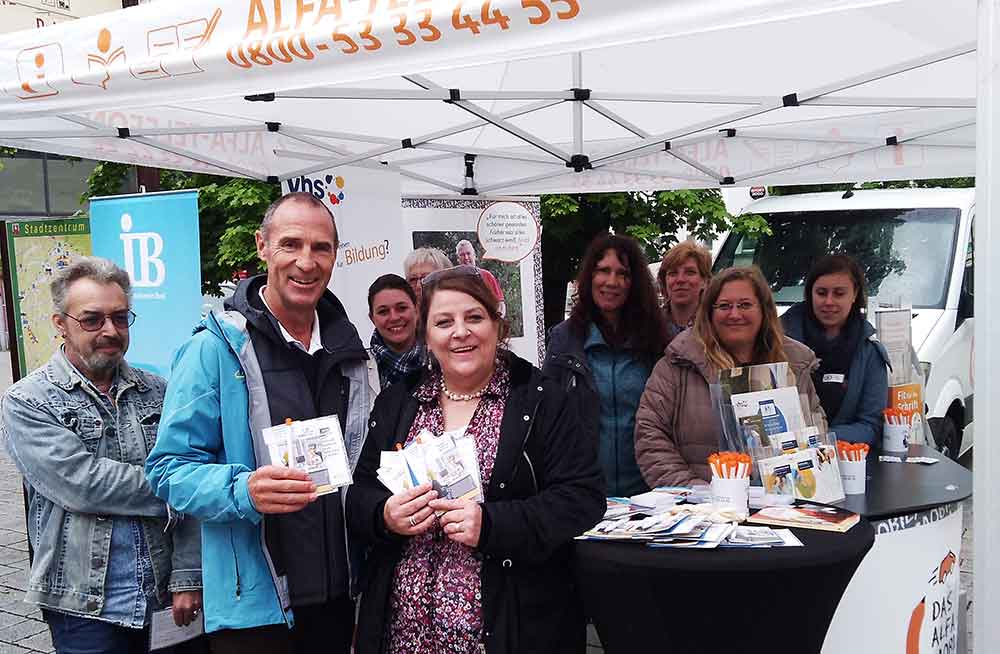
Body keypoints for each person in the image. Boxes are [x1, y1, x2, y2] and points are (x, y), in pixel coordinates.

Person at [146, 192, 373, 654]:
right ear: (262, 246)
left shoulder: (353, 354)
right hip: (255, 607)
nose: (306, 262)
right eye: (291, 244)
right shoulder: (214, 349)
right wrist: (244, 490)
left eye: (321, 248)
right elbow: (167, 469)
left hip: (338, 596)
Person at [347, 266, 604, 654]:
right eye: (444, 322)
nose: (460, 332)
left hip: (509, 629)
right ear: (427, 336)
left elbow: (581, 499)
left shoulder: (543, 401)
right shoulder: (398, 402)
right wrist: (384, 515)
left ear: (498, 326)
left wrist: (492, 524)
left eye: (474, 317)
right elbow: (359, 493)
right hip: (404, 635)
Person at [0, 257, 202, 653]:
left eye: (120, 318)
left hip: (165, 597)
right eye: (92, 320)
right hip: (85, 607)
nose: (110, 330)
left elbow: (193, 490)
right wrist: (182, 482)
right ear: (60, 323)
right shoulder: (28, 401)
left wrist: (187, 575)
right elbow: (84, 485)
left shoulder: (160, 391)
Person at [635, 266, 827, 486]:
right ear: (709, 312)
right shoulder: (677, 364)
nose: (735, 314)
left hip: (784, 506)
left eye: (745, 305)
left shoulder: (795, 364)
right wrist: (695, 493)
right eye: (724, 306)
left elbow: (817, 434)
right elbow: (650, 435)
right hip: (701, 509)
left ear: (764, 310)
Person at [543, 234, 667, 497]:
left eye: (623, 273)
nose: (612, 282)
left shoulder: (659, 339)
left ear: (635, 283)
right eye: (603, 271)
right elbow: (549, 418)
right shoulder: (564, 340)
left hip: (652, 496)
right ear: (589, 276)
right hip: (583, 494)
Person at [781, 254, 889, 446]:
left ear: (855, 294)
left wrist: (822, 439)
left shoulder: (870, 351)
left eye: (839, 293)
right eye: (821, 293)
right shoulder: (778, 343)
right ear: (809, 293)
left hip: (847, 461)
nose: (829, 302)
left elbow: (871, 425)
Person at [367, 273, 424, 390]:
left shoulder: (440, 359)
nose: (394, 317)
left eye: (402, 308)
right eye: (383, 312)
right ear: (372, 318)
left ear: (417, 310)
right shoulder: (358, 371)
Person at [657, 241, 712, 343]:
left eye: (690, 272)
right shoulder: (649, 326)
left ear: (705, 281)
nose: (680, 280)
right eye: (673, 273)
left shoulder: (716, 326)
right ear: (664, 281)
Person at [455, 239, 506, 316]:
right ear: (458, 259)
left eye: (468, 253)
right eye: (462, 255)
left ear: (474, 255)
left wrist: (498, 320)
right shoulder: (453, 280)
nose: (466, 258)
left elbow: (500, 304)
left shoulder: (486, 276)